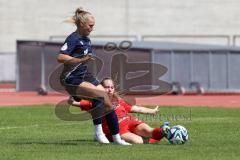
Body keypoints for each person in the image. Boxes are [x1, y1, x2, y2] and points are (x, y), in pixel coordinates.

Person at [57, 7, 130, 145]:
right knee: (99, 96)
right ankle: (99, 133)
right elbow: (60, 57)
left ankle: (117, 138)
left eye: (93, 26)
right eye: (90, 25)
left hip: (85, 76)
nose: (92, 28)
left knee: (108, 103)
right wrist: (79, 60)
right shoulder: (73, 38)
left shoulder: (87, 40)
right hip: (71, 78)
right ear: (81, 24)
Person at [70, 78, 171, 144]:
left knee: (149, 131)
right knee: (138, 141)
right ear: (100, 88)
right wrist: (74, 92)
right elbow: (72, 102)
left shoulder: (118, 100)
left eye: (112, 87)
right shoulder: (95, 102)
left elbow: (136, 108)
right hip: (118, 130)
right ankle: (158, 136)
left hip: (131, 122)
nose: (110, 89)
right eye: (107, 87)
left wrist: (152, 111)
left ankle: (164, 131)